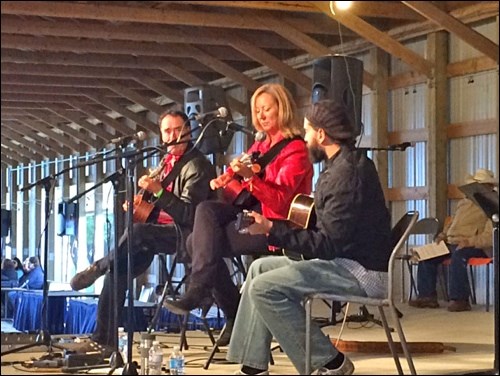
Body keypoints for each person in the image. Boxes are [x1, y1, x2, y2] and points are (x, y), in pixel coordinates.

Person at [224, 99, 392, 375]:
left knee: (265, 288)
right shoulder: (341, 165)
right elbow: (324, 225)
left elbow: (326, 245)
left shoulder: (346, 176)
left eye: (308, 130)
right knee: (258, 268)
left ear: (322, 135)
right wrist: (273, 224)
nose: (304, 137)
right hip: (345, 260)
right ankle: (252, 367)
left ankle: (330, 363)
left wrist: (271, 229)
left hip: (360, 271)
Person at [164, 83, 314, 346]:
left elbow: (280, 202)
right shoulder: (259, 146)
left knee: (195, 243)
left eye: (267, 109)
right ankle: (216, 302)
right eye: (257, 110)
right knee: (206, 210)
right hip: (252, 215)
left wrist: (250, 179)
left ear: (283, 109)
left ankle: (219, 303)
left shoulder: (295, 150)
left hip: (276, 226)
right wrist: (229, 180)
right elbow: (242, 192)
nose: (262, 115)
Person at [69, 109, 216, 353]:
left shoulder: (197, 165)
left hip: (186, 236)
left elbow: (190, 215)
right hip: (156, 232)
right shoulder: (165, 162)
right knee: (119, 268)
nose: (172, 136)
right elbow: (158, 204)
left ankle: (99, 265)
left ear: (188, 131)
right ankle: (103, 339)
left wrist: (158, 192)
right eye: (167, 131)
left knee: (135, 234)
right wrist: (140, 205)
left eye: (177, 130)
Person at [409, 168, 497, 312]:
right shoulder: (463, 203)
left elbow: (490, 236)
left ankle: (460, 299)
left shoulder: (491, 205)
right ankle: (427, 296)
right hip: (453, 243)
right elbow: (452, 224)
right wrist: (443, 235)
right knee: (426, 255)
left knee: (458, 256)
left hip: (476, 246)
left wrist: (470, 241)